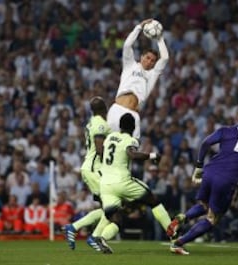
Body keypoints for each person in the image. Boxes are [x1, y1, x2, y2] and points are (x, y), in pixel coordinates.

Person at [168, 103, 238, 255]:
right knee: (213, 218)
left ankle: (181, 218)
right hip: (227, 178)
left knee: (204, 205)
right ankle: (179, 243)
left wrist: (199, 166)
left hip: (210, 171)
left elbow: (206, 143)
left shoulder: (226, 130)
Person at [96, 113, 175, 254]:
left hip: (106, 185)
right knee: (153, 201)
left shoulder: (109, 138)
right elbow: (132, 154)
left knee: (116, 220)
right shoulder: (129, 139)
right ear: (133, 127)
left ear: (120, 126)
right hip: (121, 181)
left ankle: (102, 238)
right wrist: (153, 155)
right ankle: (175, 238)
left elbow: (101, 153)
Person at [107, 18, 169, 139]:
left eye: (152, 60)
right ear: (141, 57)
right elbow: (127, 45)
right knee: (108, 143)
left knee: (130, 149)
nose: (149, 61)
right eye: (147, 57)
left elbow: (165, 58)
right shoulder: (130, 65)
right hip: (117, 109)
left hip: (133, 113)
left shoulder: (152, 74)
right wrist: (139, 27)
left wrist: (159, 38)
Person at [64, 96, 111, 251]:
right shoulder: (101, 124)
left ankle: (74, 227)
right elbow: (99, 149)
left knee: (109, 208)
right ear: (104, 109)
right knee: (113, 207)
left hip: (90, 168)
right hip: (95, 169)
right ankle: (94, 237)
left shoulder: (91, 122)